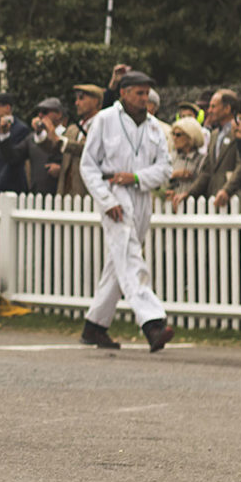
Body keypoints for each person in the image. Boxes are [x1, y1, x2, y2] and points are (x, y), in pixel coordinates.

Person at [79, 71, 176, 352]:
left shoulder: (156, 127)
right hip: (114, 195)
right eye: (138, 93)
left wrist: (135, 178)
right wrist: (106, 200)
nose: (144, 99)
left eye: (147, 94)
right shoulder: (105, 120)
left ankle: (95, 325)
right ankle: (153, 323)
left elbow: (165, 168)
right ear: (123, 92)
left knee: (118, 260)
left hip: (141, 194)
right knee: (130, 255)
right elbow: (88, 165)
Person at [174, 88, 241, 209]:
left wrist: (227, 191)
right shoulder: (214, 135)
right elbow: (207, 171)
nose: (209, 111)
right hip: (213, 200)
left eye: (213, 106)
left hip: (233, 201)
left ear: (227, 109)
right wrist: (188, 194)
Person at [52, 84, 104, 196]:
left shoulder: (103, 126)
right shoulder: (72, 129)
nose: (77, 103)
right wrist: (44, 133)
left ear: (96, 101)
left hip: (88, 194)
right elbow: (55, 147)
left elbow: (86, 147)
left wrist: (59, 140)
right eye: (76, 99)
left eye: (81, 98)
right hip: (65, 194)